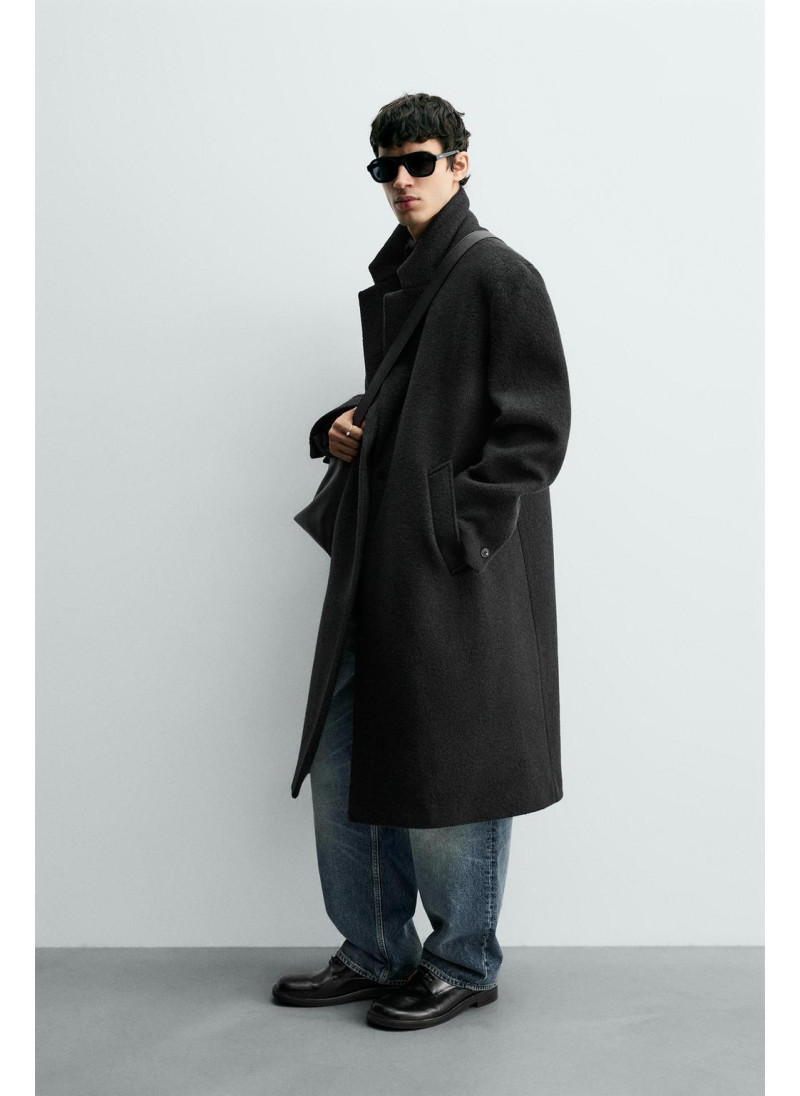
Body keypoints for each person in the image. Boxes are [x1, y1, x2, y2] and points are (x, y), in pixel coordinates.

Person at [273, 93, 571, 1030]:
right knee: (346, 758)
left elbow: (535, 435)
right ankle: (375, 951)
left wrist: (455, 528)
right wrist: (341, 425)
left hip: (450, 572)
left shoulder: (497, 274)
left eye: (420, 161)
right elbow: (413, 401)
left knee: (453, 766)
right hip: (381, 558)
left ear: (461, 163)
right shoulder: (412, 275)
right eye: (387, 168)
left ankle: (462, 963)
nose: (402, 180)